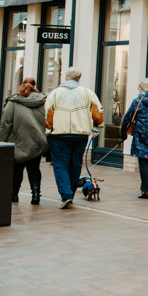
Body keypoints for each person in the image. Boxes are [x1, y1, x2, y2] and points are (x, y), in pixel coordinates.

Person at [45, 67, 103, 209]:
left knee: (60, 164)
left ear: (65, 77)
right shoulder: (87, 93)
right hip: (80, 134)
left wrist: (49, 128)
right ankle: (69, 193)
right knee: (75, 164)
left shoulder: (55, 93)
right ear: (79, 78)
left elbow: (48, 113)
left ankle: (66, 195)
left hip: (59, 135)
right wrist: (96, 128)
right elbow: (98, 111)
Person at [0, 77, 48, 205]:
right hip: (37, 141)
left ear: (21, 85)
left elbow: (6, 123)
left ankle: (14, 194)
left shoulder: (13, 101)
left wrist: (1, 142)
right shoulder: (43, 101)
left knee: (17, 169)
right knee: (34, 169)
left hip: (18, 142)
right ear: (35, 86)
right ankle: (36, 195)